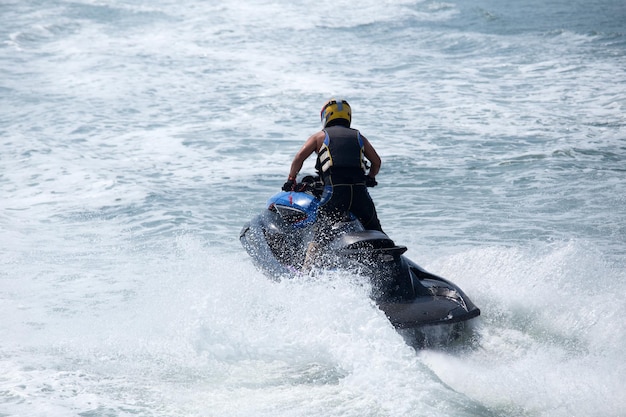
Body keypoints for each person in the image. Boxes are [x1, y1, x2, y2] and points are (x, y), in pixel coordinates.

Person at [282, 98, 384, 241]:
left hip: (334, 193)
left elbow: (299, 158)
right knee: (375, 228)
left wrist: (291, 180)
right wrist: (371, 177)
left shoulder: (319, 136)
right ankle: (391, 257)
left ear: (326, 116)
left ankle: (309, 263)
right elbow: (377, 162)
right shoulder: (359, 136)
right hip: (359, 193)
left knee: (320, 234)